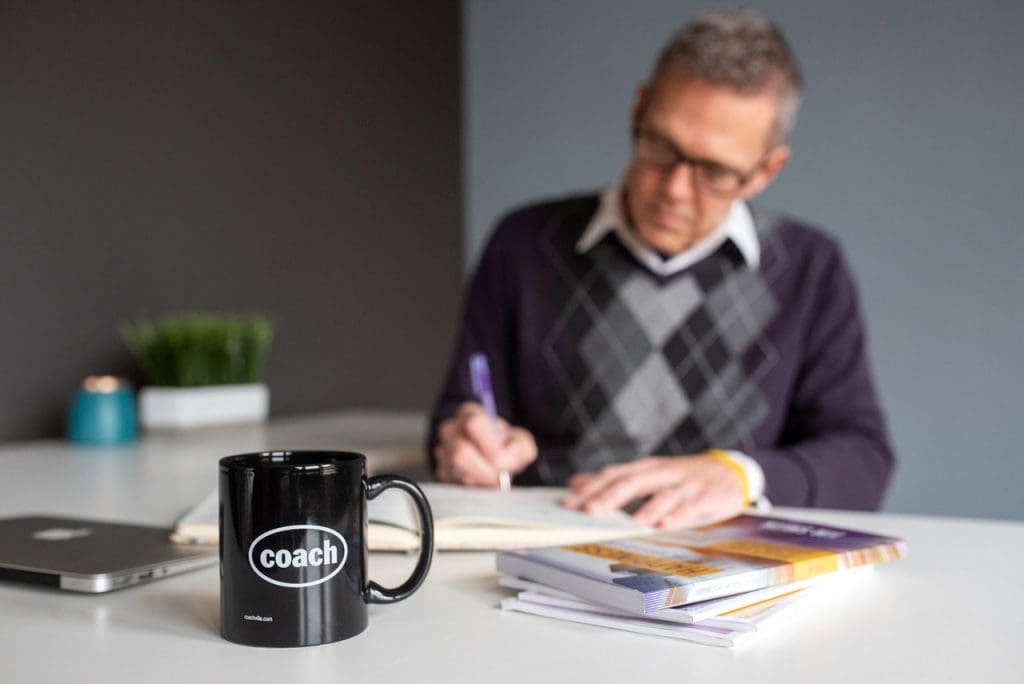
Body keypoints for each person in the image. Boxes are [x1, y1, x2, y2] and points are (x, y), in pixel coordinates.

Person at [428, 10, 893, 527]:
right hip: (537, 547)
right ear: (639, 108)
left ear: (765, 171)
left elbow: (863, 457)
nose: (674, 189)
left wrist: (740, 476)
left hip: (725, 567)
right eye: (661, 147)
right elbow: (458, 414)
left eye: (714, 171)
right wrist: (464, 441)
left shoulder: (810, 269)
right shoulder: (522, 244)